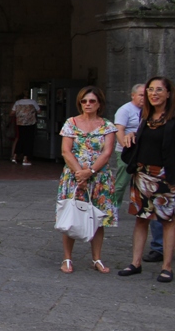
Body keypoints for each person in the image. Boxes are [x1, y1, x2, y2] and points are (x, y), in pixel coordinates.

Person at [118, 76, 175, 283]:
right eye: (150, 90)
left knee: (168, 221)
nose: (154, 93)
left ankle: (167, 267)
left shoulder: (172, 118)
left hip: (165, 176)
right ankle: (135, 263)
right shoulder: (145, 116)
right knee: (141, 219)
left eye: (159, 90)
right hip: (142, 174)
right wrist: (131, 136)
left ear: (168, 93)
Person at [56, 86, 117, 274]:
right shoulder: (71, 123)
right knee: (71, 215)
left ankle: (96, 258)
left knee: (98, 218)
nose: (87, 104)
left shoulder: (107, 126)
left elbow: (107, 153)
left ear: (99, 104)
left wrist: (89, 171)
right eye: (84, 101)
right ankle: (67, 258)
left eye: (92, 101)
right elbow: (66, 150)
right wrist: (79, 173)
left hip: (98, 177)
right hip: (74, 176)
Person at [114, 85, 162, 262]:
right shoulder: (128, 111)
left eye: (157, 91)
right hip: (138, 162)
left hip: (160, 168)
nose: (148, 96)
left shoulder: (157, 115)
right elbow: (120, 130)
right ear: (133, 95)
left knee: (161, 212)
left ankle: (162, 249)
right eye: (145, 93)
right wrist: (127, 150)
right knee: (122, 184)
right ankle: (113, 208)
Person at [12, 93, 40, 165]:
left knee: (21, 139)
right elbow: (39, 111)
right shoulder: (33, 102)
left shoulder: (17, 102)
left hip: (20, 123)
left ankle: (15, 156)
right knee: (29, 140)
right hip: (30, 123)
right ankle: (25, 158)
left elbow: (12, 112)